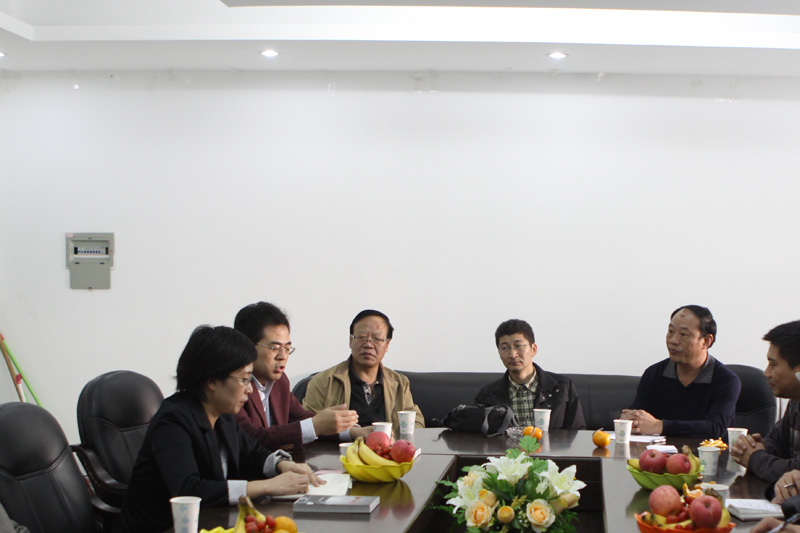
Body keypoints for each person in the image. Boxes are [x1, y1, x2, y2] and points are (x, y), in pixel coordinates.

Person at [118, 325, 321, 533]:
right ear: (213, 381)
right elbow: (189, 489)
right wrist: (268, 486)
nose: (249, 389)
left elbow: (252, 452)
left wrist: (282, 465)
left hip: (212, 521)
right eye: (244, 379)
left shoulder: (222, 414)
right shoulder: (173, 421)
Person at [233, 301, 370, 451]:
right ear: (247, 346)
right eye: (275, 348)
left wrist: (351, 432)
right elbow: (251, 438)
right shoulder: (232, 386)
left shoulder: (280, 381)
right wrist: (315, 426)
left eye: (287, 348)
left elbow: (301, 419)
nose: (282, 356)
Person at [621, 305, 741, 439]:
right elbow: (637, 417)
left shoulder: (726, 380)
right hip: (658, 451)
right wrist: (630, 420)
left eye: (683, 334)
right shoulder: (654, 373)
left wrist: (659, 426)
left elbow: (716, 428)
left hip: (705, 452)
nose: (673, 340)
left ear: (706, 341)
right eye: (670, 331)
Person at [302, 309, 424, 432]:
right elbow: (308, 428)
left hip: (388, 444)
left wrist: (396, 438)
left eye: (377, 338)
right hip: (342, 445)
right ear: (350, 341)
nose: (368, 344)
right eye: (361, 337)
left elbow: (417, 422)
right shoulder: (322, 382)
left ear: (387, 344)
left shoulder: (399, 383)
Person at [474, 319, 586, 429]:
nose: (512, 354)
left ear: (533, 349)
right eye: (504, 348)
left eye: (518, 346)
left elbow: (577, 432)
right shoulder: (487, 396)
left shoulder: (562, 387)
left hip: (552, 443)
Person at [731, 320, 800, 484]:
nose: (766, 373)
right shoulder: (796, 400)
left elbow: (795, 473)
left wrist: (754, 457)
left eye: (773, 365)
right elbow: (777, 441)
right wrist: (760, 447)